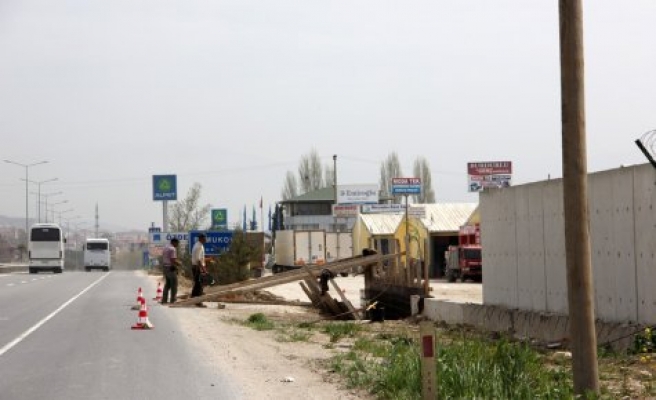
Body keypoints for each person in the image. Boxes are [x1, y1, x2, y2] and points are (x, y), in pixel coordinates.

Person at [161, 238, 181, 304]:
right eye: (177, 243)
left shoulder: (165, 247)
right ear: (174, 242)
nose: (177, 245)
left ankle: (164, 300)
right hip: (170, 268)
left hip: (165, 267)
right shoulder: (172, 249)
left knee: (168, 284)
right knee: (174, 284)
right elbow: (173, 260)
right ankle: (173, 300)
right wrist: (179, 264)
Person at [191, 233, 208, 307]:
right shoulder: (198, 247)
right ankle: (198, 302)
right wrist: (203, 269)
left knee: (197, 284)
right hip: (198, 267)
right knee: (200, 285)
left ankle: (193, 298)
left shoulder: (198, 245)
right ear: (201, 238)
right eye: (204, 238)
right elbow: (198, 260)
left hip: (197, 266)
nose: (206, 240)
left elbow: (200, 258)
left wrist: (208, 259)